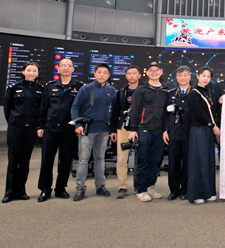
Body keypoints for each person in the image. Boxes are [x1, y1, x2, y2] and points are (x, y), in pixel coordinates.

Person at [36, 59, 84, 202]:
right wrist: (40, 126)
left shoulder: (79, 87)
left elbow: (82, 108)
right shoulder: (50, 86)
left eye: (69, 66)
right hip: (50, 129)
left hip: (69, 130)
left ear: (73, 69)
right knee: (47, 160)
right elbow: (43, 108)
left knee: (65, 161)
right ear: (58, 69)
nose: (66, 68)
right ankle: (45, 189)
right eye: (63, 65)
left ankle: (60, 188)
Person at [70, 63, 117, 201]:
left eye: (105, 73)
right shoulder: (85, 89)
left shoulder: (112, 91)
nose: (102, 75)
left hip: (103, 131)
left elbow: (114, 112)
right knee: (83, 160)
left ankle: (100, 186)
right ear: (95, 74)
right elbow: (75, 107)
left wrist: (112, 128)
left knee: (100, 159)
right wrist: (77, 124)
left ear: (108, 75)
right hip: (87, 131)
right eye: (99, 72)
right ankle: (80, 188)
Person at [2, 62, 43, 203]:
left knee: (25, 161)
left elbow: (40, 110)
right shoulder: (14, 88)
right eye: (29, 70)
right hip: (16, 128)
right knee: (13, 160)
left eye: (34, 71)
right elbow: (7, 109)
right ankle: (9, 192)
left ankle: (21, 190)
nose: (31, 73)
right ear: (23, 71)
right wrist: (14, 122)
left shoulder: (40, 89)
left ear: (38, 73)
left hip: (30, 129)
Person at [128, 62, 169, 202]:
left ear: (161, 72)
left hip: (159, 132)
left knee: (155, 161)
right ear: (147, 73)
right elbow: (135, 110)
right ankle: (141, 189)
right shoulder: (141, 89)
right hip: (143, 130)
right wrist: (133, 129)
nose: (154, 72)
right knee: (143, 160)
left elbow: (166, 113)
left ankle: (151, 186)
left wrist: (166, 130)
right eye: (151, 70)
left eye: (156, 70)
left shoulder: (166, 90)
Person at [186, 67, 221, 204]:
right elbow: (198, 113)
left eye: (208, 76)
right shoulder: (194, 93)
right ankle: (197, 194)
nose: (206, 78)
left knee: (208, 161)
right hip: (198, 130)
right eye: (203, 75)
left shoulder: (210, 92)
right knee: (199, 161)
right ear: (198, 76)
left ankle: (209, 192)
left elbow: (213, 111)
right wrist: (212, 126)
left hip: (208, 131)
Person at [110, 65, 141, 199]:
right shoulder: (121, 92)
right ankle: (122, 186)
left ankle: (139, 185)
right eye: (129, 74)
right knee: (122, 159)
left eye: (134, 73)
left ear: (139, 75)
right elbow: (115, 111)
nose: (132, 76)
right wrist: (113, 130)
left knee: (140, 159)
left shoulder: (144, 90)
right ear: (126, 76)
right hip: (123, 127)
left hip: (140, 128)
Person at [163, 66, 192, 200]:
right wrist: (165, 131)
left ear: (190, 77)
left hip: (189, 134)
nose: (183, 78)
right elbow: (165, 115)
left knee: (187, 163)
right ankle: (174, 190)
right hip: (173, 133)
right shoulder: (170, 93)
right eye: (180, 75)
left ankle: (185, 190)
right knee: (173, 163)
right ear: (176, 77)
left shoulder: (194, 93)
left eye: (185, 75)